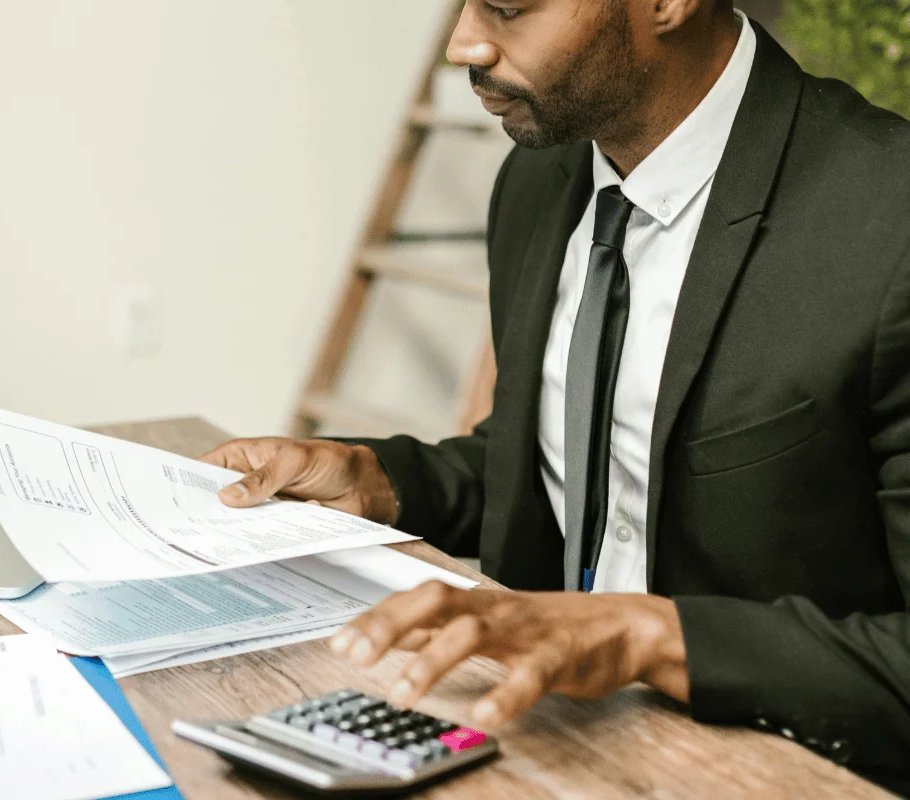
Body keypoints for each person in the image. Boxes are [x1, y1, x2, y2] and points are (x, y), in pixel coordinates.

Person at [201, 0, 910, 793]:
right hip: (547, 739)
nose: (462, 43)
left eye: (508, 9)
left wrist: (649, 635)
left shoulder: (888, 221)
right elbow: (573, 460)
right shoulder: (540, 179)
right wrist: (381, 479)